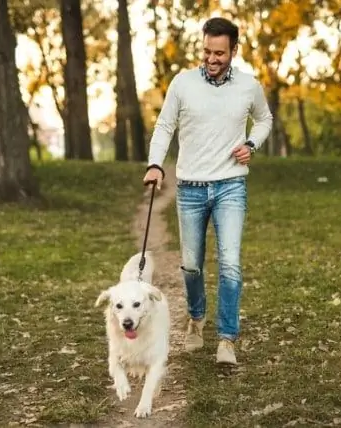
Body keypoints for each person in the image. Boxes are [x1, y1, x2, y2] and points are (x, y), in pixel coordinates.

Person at [142, 16, 272, 365]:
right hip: (191, 189)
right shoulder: (183, 84)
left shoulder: (248, 85)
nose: (212, 59)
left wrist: (251, 143)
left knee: (230, 264)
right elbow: (165, 125)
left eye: (220, 53)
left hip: (231, 185)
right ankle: (196, 320)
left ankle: (227, 339)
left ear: (233, 50)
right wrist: (155, 164)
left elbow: (265, 119)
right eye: (207, 52)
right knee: (190, 266)